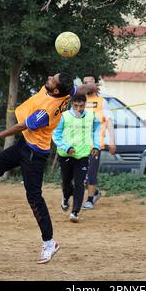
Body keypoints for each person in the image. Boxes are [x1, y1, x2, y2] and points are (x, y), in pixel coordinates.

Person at [0, 72, 98, 264]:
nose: (49, 76)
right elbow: (79, 89)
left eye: (53, 79)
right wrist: (91, 88)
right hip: (25, 145)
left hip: (35, 155)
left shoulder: (46, 111)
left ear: (56, 89)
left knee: (34, 197)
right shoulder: (66, 92)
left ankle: (50, 243)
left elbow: (21, 126)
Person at [52, 94, 101, 222]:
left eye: (81, 105)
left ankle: (75, 212)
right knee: (66, 182)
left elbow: (97, 130)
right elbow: (55, 135)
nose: (79, 108)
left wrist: (96, 146)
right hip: (66, 154)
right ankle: (66, 196)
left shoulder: (92, 117)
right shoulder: (64, 116)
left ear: (85, 104)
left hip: (83, 155)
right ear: (72, 104)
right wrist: (67, 147)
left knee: (80, 183)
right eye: (76, 105)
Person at [82, 75, 117, 210]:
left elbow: (109, 122)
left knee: (91, 173)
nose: (87, 85)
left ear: (95, 84)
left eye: (89, 83)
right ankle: (95, 192)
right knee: (81, 176)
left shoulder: (102, 102)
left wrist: (112, 142)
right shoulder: (80, 101)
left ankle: (90, 200)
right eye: (85, 83)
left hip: (95, 144)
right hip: (81, 144)